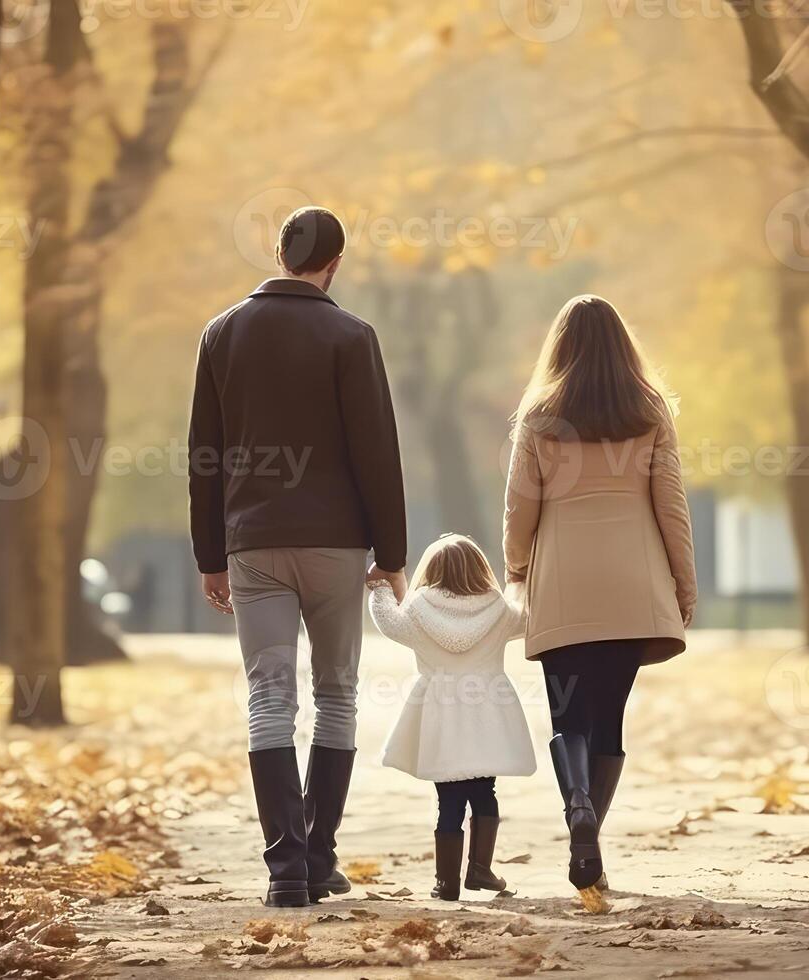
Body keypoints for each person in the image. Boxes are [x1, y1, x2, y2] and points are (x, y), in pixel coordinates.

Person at [189, 205, 408, 908]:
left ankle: (286, 869)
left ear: (280, 254)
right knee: (337, 693)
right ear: (334, 264)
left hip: (251, 542)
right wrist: (393, 551)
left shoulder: (221, 333)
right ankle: (318, 855)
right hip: (336, 543)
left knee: (268, 696)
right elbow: (376, 451)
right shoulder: (351, 335)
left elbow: (204, 456)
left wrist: (209, 554)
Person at [502, 294, 697, 908]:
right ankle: (590, 850)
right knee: (608, 715)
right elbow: (671, 505)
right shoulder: (651, 412)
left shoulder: (538, 417)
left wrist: (515, 565)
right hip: (631, 588)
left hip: (563, 585)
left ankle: (578, 810)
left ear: (560, 347)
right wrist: (684, 582)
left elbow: (519, 508)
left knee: (568, 718)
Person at [367, 534, 537, 900]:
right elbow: (526, 617)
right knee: (484, 792)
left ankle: (447, 883)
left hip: (440, 714)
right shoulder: (499, 610)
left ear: (431, 570)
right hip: (487, 711)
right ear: (480, 570)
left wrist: (379, 586)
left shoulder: (416, 610)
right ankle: (480, 870)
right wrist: (521, 582)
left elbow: (387, 621)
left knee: (449, 801)